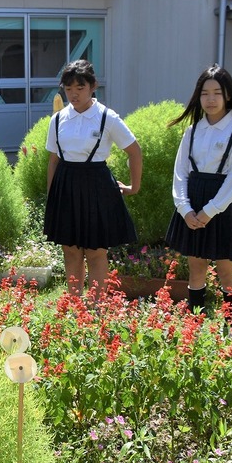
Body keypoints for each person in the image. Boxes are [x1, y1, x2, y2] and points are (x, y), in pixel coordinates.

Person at [44, 59, 142, 297]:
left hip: (97, 185)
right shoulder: (58, 119)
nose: (73, 94)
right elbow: (54, 160)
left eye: (80, 88)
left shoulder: (107, 117)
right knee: (70, 249)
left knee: (96, 250)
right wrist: (51, 196)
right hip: (65, 185)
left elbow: (134, 151)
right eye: (68, 89)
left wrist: (134, 186)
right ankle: (75, 304)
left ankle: (97, 306)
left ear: (93, 86)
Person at [164, 64, 232, 313]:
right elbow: (180, 171)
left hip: (222, 203)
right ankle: (196, 322)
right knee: (196, 264)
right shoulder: (193, 130)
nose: (210, 99)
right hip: (192, 201)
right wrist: (185, 208)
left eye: (217, 92)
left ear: (227, 95)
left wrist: (210, 211)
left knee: (225, 267)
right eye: (205, 93)